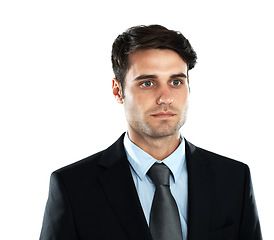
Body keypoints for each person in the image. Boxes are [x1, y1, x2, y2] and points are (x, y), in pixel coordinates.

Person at [39, 24, 262, 240]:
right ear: (118, 91)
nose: (165, 97)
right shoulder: (73, 187)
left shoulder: (234, 179)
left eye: (176, 81)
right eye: (147, 83)